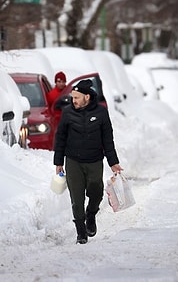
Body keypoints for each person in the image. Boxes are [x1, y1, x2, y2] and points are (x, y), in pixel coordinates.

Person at [53, 79, 123, 244]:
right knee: (76, 198)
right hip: (73, 161)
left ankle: (91, 214)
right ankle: (81, 232)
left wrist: (113, 162)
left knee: (96, 192)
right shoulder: (68, 112)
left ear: (87, 97)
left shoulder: (101, 112)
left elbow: (108, 139)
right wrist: (58, 162)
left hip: (94, 161)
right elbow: (60, 138)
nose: (73, 101)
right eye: (72, 97)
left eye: (76, 97)